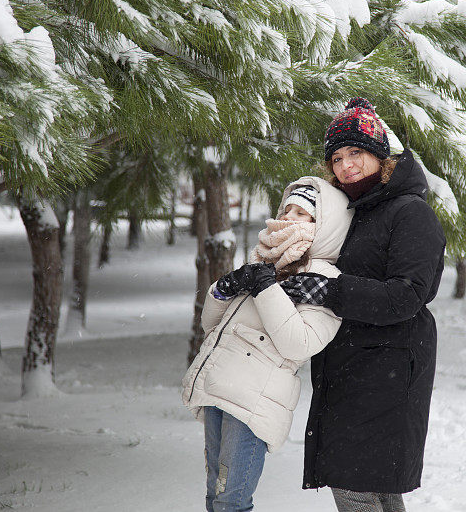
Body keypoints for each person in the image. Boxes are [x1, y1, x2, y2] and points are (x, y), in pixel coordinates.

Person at [280, 97, 446, 512]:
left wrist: (329, 291)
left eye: (355, 152)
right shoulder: (359, 213)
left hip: (388, 369)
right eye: (336, 157)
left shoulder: (409, 213)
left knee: (355, 483)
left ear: (380, 155)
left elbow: (407, 295)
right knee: (374, 486)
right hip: (353, 367)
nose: (346, 165)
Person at [181, 177, 352, 512]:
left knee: (232, 500)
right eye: (286, 208)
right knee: (214, 493)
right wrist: (223, 288)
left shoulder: (326, 279)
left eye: (302, 213)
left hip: (254, 403)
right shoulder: (266, 261)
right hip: (219, 385)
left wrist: (265, 289)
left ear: (324, 225)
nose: (288, 217)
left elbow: (299, 345)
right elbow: (212, 324)